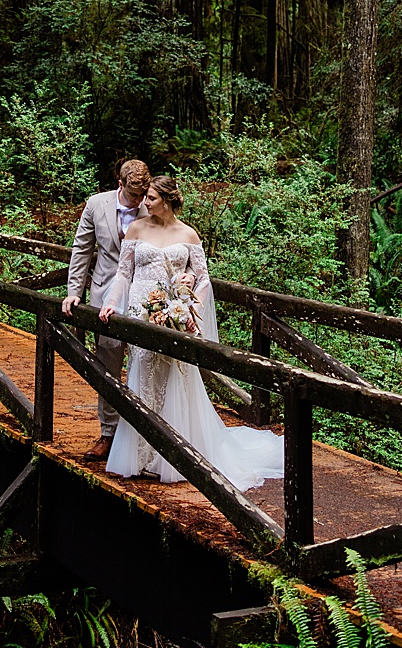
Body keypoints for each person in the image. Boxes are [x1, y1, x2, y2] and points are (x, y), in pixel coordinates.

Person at [97, 177, 286, 491]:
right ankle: (141, 454)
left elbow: (202, 280)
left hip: (173, 315)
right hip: (140, 315)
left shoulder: (188, 234)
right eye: (145, 197)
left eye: (152, 198)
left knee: (173, 378)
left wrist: (187, 308)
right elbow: (123, 273)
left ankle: (172, 456)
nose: (145, 202)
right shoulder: (137, 229)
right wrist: (112, 303)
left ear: (167, 201)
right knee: (143, 376)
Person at [65, 158, 151, 460]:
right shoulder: (96, 205)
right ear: (120, 184)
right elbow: (82, 249)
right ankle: (109, 433)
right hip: (105, 294)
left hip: (144, 296)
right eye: (134, 195)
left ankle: (147, 434)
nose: (139, 201)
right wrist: (74, 292)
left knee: (146, 365)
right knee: (108, 365)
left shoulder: (153, 205)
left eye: (143, 195)